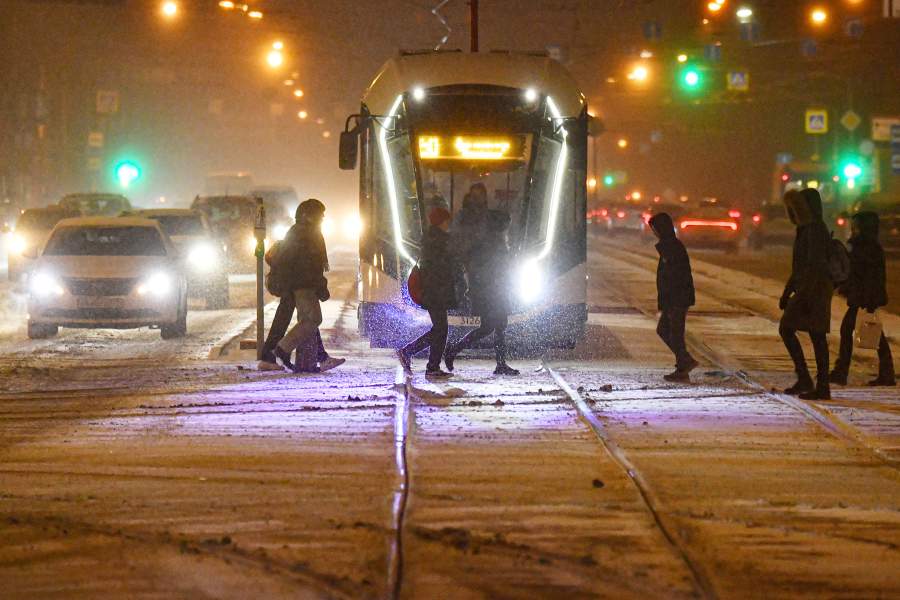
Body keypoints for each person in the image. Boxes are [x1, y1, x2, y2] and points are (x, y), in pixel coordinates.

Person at [444, 211, 519, 376]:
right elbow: (490, 270)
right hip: (492, 293)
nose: (508, 227)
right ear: (501, 226)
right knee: (489, 327)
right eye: (507, 224)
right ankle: (454, 350)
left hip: (494, 292)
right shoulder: (493, 244)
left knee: (497, 326)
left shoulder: (492, 242)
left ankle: (500, 364)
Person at [779, 188, 833, 399]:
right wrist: (788, 290)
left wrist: (802, 295)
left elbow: (814, 265)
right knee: (810, 334)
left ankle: (818, 384)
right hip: (807, 290)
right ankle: (810, 380)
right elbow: (800, 266)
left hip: (814, 291)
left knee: (809, 333)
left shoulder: (815, 230)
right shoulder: (806, 229)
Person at [830, 211, 895, 386]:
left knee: (851, 331)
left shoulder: (860, 246)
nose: (853, 228)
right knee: (873, 332)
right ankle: (886, 372)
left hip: (862, 297)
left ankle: (842, 371)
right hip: (868, 296)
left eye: (856, 225)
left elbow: (854, 270)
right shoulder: (873, 246)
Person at [259, 240, 344, 373]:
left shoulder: (297, 235)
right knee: (308, 319)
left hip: (291, 281)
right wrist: (321, 287)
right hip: (297, 283)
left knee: (302, 319)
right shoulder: (307, 236)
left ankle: (270, 356)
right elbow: (312, 266)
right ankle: (279, 351)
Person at [270, 199, 330, 373]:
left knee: (307, 322)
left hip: (302, 284)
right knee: (312, 320)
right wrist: (320, 284)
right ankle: (282, 349)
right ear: (308, 215)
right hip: (304, 285)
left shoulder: (299, 232)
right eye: (320, 214)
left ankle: (307, 363)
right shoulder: (307, 234)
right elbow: (310, 264)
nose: (322, 218)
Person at [396, 206, 457, 378]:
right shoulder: (438, 241)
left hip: (434, 290)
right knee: (440, 329)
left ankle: (430, 364)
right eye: (447, 221)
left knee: (440, 328)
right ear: (442, 222)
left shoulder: (431, 239)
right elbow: (440, 269)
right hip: (436, 291)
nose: (448, 224)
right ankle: (412, 354)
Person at [648, 212, 699, 382]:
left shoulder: (672, 247)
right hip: (674, 298)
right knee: (667, 331)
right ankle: (684, 361)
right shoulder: (669, 246)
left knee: (673, 332)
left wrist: (670, 303)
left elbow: (674, 277)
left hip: (677, 299)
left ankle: (684, 364)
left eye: (655, 228)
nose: (654, 232)